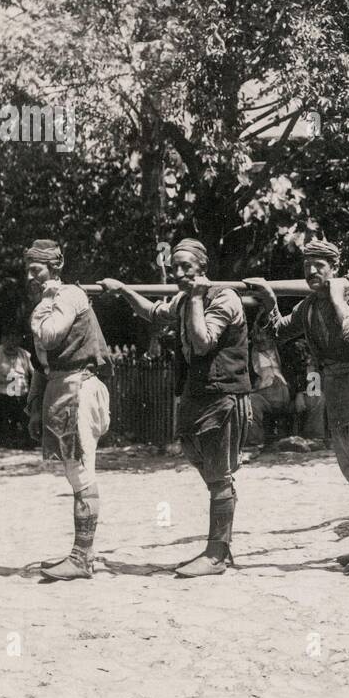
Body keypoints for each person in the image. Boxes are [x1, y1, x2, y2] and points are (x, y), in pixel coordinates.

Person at [247, 239, 349, 575]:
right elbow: (278, 331)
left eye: (320, 265)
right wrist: (271, 301)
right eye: (307, 266)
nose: (312, 272)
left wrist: (336, 297)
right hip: (338, 394)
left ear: (334, 267)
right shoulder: (309, 306)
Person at [102, 238, 252, 577]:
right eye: (175, 269)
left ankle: (216, 554)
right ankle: (220, 546)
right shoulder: (186, 299)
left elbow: (202, 343)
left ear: (202, 268)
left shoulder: (224, 298)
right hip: (198, 395)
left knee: (218, 476)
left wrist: (197, 297)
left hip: (223, 396)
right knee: (204, 464)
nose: (179, 273)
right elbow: (154, 314)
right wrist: (124, 290)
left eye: (186, 267)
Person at [24, 239, 112, 581]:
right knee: (74, 471)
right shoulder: (55, 299)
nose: (31, 277)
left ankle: (81, 558)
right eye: (28, 271)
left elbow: (48, 335)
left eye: (37, 270)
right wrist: (35, 408)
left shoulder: (69, 296)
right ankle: (83, 553)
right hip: (62, 387)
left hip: (79, 388)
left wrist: (45, 302)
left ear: (54, 267)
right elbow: (42, 364)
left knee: (81, 471)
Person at [0, 327, 33, 448]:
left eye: (14, 337)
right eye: (7, 337)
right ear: (2, 339)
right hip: (2, 397)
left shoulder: (25, 355)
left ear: (19, 339)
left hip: (22, 396)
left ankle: (27, 438)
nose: (11, 341)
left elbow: (36, 375)